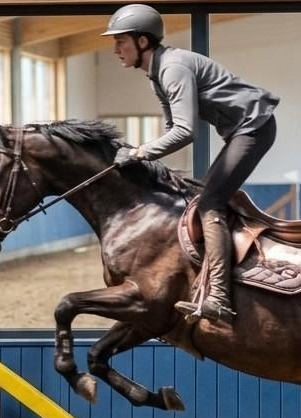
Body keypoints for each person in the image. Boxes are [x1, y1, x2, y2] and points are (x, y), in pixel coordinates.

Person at [103, 4, 279, 323]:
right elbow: (174, 128)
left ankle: (221, 299)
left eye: (121, 41)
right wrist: (138, 153)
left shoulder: (172, 68)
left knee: (210, 203)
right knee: (204, 196)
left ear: (142, 41)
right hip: (242, 130)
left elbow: (186, 132)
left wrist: (140, 152)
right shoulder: (158, 74)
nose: (115, 49)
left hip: (254, 127)